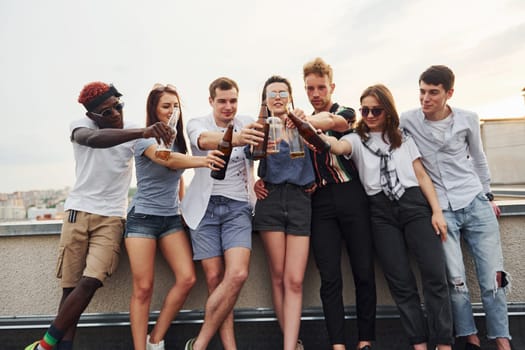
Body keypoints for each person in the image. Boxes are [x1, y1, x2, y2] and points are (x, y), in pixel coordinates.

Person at [25, 82, 173, 350]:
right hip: (77, 213)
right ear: (92, 115)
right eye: (107, 112)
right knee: (70, 290)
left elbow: (164, 160)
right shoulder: (80, 126)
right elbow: (93, 141)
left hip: (112, 217)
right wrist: (141, 131)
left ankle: (44, 346)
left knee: (91, 281)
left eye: (119, 105)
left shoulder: (137, 130)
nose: (116, 113)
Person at [322, 84, 453, 350]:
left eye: (376, 110)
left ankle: (444, 344)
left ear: (388, 110)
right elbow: (337, 146)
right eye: (365, 110)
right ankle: (419, 343)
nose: (369, 115)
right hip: (380, 212)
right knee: (401, 281)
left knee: (434, 274)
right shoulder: (357, 140)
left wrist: (437, 212)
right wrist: (313, 133)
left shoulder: (403, 137)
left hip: (413, 204)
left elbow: (421, 175)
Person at [400, 65, 512, 350]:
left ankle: (501, 339)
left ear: (449, 93)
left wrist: (488, 195)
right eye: (422, 91)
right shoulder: (409, 121)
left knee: (493, 279)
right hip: (442, 210)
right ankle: (469, 336)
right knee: (456, 280)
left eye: (433, 93)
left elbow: (479, 158)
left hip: (474, 202)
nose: (425, 98)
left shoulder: (468, 119)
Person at [124, 84, 225, 350]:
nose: (172, 111)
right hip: (142, 218)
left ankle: (156, 339)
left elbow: (177, 176)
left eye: (175, 106)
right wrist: (203, 161)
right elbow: (168, 160)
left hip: (170, 219)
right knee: (143, 288)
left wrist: (180, 207)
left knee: (187, 278)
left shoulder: (178, 140)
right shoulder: (145, 139)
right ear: (154, 110)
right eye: (166, 106)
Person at [180, 77, 264, 350]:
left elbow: (261, 153)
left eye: (233, 101)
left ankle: (200, 343)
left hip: (238, 206)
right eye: (222, 101)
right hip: (204, 210)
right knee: (215, 280)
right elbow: (204, 141)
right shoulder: (198, 123)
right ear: (211, 101)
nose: (228, 107)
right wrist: (237, 138)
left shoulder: (248, 121)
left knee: (237, 275)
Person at [303, 57, 376, 350]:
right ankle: (337, 344)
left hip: (351, 195)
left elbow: (333, 123)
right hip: (320, 202)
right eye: (310, 88)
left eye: (321, 87)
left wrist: (301, 122)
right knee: (330, 277)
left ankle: (365, 341)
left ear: (331, 86)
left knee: (363, 271)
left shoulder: (345, 112)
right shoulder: (301, 121)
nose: (316, 93)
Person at [250, 75, 316, 350]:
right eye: (271, 93)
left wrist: (304, 125)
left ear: (290, 97)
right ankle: (291, 344)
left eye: (282, 92)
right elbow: (249, 156)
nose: (277, 97)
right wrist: (254, 180)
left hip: (301, 200)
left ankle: (291, 345)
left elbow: (323, 144)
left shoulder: (303, 123)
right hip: (271, 199)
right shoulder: (260, 127)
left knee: (295, 280)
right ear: (265, 100)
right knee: (278, 277)